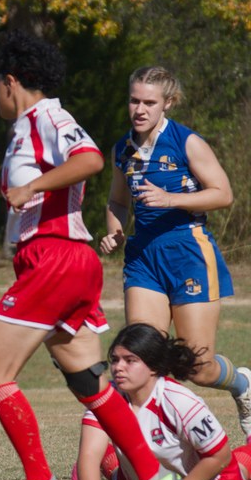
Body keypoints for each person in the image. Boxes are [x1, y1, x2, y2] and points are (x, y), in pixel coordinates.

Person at [0, 30, 177, 480]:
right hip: (62, 262)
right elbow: (33, 191)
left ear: (10, 81)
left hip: (55, 258)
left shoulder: (49, 116)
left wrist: (30, 186)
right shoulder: (24, 129)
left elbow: (90, 160)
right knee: (87, 380)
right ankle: (153, 476)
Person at [100, 65, 251, 438]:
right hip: (143, 260)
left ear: (168, 103)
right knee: (143, 358)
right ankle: (156, 446)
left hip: (189, 253)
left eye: (149, 102)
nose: (140, 109)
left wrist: (171, 199)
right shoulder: (122, 149)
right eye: (134, 100)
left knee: (196, 367)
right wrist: (115, 232)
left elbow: (223, 193)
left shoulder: (187, 142)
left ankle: (243, 384)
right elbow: (117, 201)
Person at [73, 323, 251, 480]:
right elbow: (90, 453)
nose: (118, 367)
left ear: (153, 367)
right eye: (115, 359)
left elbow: (220, 456)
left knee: (241, 465)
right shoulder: (107, 397)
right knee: (100, 452)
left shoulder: (178, 400)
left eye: (130, 360)